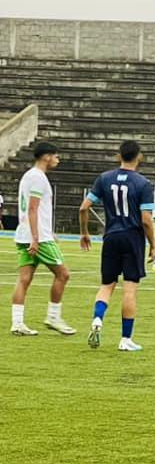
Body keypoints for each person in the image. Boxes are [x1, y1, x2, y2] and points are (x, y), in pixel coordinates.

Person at [79, 140, 155, 351]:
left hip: (111, 236)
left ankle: (97, 319)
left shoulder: (104, 178)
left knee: (107, 285)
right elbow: (146, 220)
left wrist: (85, 232)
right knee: (130, 288)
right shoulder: (142, 183)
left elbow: (84, 207)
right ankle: (125, 339)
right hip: (132, 237)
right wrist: (154, 245)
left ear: (118, 156)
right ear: (139, 157)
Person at [9, 142, 75, 336]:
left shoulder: (29, 176)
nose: (57, 159)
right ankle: (53, 316)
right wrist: (37, 238)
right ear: (46, 156)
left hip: (23, 234)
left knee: (24, 279)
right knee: (63, 274)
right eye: (55, 155)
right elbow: (33, 208)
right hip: (37, 237)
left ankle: (17, 322)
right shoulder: (38, 178)